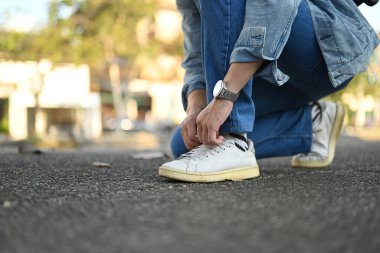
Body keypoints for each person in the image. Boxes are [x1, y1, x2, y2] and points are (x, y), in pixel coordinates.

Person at [158, 0, 379, 182]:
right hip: (270, 71)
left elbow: (274, 6)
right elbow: (196, 54)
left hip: (325, 46)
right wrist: (196, 108)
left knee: (217, 135)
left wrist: (226, 95)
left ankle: (232, 138)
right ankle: (312, 123)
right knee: (189, 141)